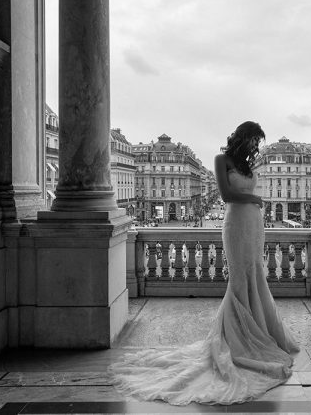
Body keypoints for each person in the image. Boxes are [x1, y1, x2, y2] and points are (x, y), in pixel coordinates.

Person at [109, 121, 299, 405]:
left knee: (256, 273)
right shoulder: (222, 159)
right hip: (236, 221)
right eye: (253, 141)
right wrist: (255, 198)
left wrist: (255, 203)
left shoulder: (247, 163)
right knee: (238, 278)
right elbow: (224, 195)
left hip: (254, 223)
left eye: (257, 144)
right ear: (242, 137)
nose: (254, 147)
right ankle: (235, 337)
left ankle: (259, 329)